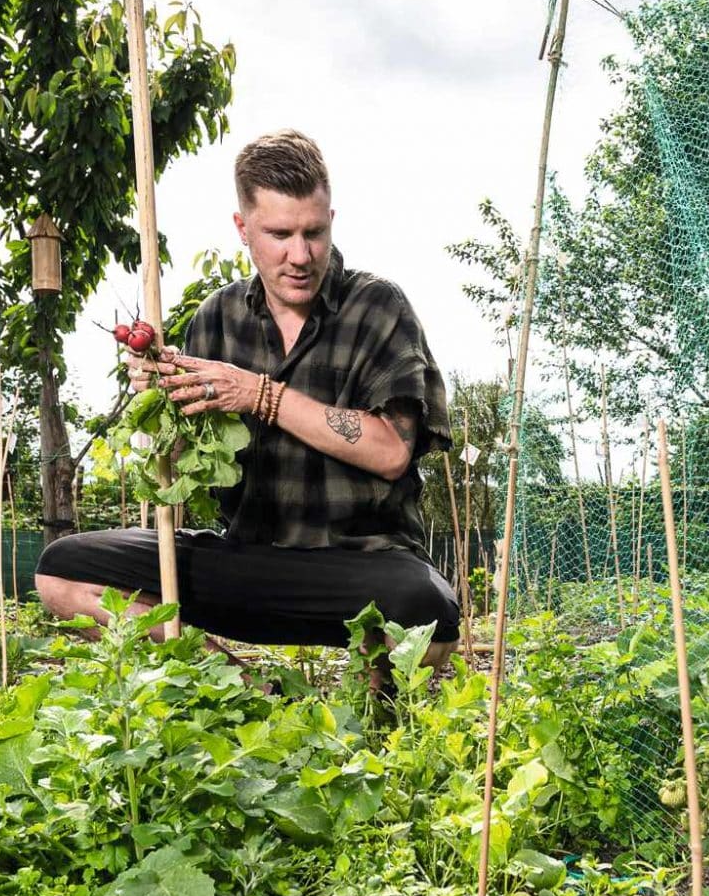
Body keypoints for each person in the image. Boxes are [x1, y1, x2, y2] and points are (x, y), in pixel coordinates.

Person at [35, 130, 460, 665]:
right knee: (63, 572)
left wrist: (258, 394)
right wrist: (159, 402)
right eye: (279, 233)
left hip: (359, 567)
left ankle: (382, 731)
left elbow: (391, 453)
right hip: (247, 560)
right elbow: (183, 467)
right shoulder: (217, 317)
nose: (300, 255)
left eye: (314, 232)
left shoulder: (377, 307)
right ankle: (253, 698)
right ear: (243, 228)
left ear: (332, 220)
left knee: (427, 609)